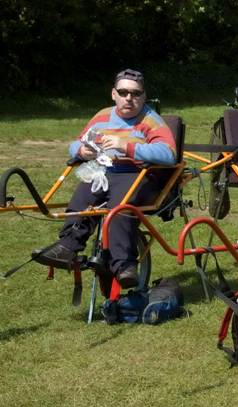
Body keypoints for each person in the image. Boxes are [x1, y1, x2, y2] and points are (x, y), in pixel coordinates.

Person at [33, 69, 176, 288]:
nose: (129, 98)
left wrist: (127, 147)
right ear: (114, 94)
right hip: (104, 171)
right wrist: (82, 151)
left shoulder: (151, 120)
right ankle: (67, 247)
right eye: (123, 92)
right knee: (82, 198)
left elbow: (168, 154)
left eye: (135, 93)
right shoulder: (101, 117)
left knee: (118, 209)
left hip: (139, 174)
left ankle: (124, 266)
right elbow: (75, 144)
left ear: (143, 96)